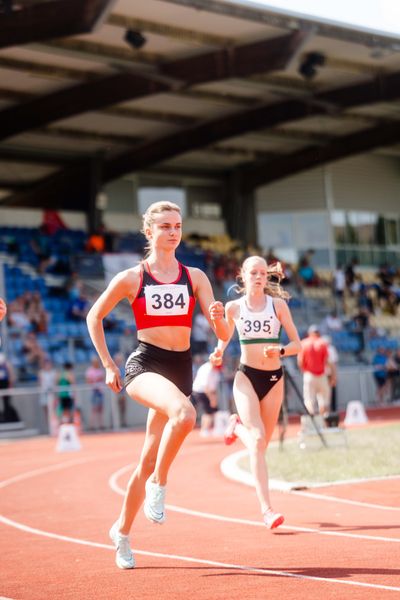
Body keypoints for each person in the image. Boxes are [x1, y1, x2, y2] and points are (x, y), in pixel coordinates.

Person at [86, 200, 228, 570]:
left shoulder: (195, 277)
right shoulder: (133, 278)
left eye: (177, 225)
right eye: (164, 226)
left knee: (146, 459)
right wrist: (107, 364)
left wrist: (219, 320)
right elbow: (93, 316)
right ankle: (160, 485)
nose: (172, 231)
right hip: (145, 365)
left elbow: (223, 334)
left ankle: (121, 532)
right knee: (185, 415)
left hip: (180, 368)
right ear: (149, 232)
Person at [209, 257, 301, 529]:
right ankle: (267, 510)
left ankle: (236, 427)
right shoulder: (234, 307)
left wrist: (281, 350)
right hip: (246, 376)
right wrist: (218, 351)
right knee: (258, 438)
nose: (259, 277)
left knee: (261, 446)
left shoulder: (278, 306)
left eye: (263, 272)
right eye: (253, 272)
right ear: (243, 275)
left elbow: (298, 344)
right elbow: (224, 336)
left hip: (274, 379)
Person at [297, 325, 331, 416]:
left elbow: (300, 361)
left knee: (309, 399)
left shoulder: (304, 343)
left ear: (309, 333)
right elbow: (327, 360)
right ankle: (323, 421)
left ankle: (313, 423)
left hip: (309, 374)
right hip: (321, 374)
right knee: (323, 399)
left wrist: (303, 370)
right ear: (318, 333)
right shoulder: (322, 343)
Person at [191, 358, 221, 436]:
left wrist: (214, 398)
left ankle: (209, 428)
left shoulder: (215, 369)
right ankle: (204, 429)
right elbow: (206, 387)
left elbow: (213, 387)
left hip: (207, 392)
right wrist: (212, 399)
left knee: (211, 411)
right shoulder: (207, 369)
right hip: (200, 392)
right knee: (208, 411)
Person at [85, 356, 105, 431]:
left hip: (100, 391)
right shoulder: (89, 371)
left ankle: (101, 425)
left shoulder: (100, 370)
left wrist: (96, 380)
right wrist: (96, 379)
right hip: (94, 392)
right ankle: (92, 425)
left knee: (100, 409)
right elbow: (88, 381)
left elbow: (102, 378)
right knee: (93, 409)